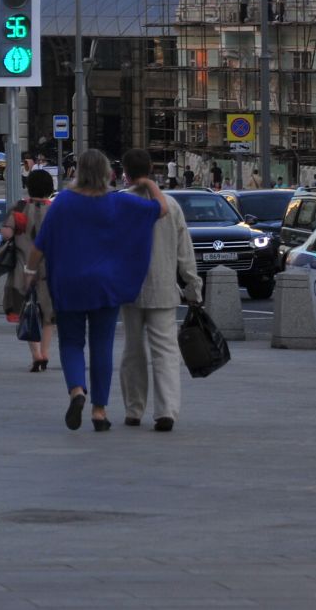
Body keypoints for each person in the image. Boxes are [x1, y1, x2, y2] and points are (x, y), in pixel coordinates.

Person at [28, 148, 169, 432]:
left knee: (70, 343)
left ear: (78, 171)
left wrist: (29, 273)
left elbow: (41, 244)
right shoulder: (116, 203)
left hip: (68, 283)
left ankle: (77, 391)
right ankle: (100, 411)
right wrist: (147, 182)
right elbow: (161, 209)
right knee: (101, 346)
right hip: (105, 284)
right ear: (108, 173)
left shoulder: (64, 202)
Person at [118, 149, 200, 431]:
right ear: (152, 169)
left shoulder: (119, 203)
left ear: (125, 171)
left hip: (129, 287)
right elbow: (184, 251)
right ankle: (166, 411)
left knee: (132, 349)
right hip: (164, 286)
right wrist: (193, 286)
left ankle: (133, 409)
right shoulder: (171, 206)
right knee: (165, 350)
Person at [1, 169, 56, 371]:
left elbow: (6, 234)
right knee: (48, 315)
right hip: (50, 269)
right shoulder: (55, 210)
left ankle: (35, 354)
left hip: (23, 268)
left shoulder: (19, 208)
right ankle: (45, 352)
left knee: (28, 311)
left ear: (28, 186)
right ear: (50, 188)